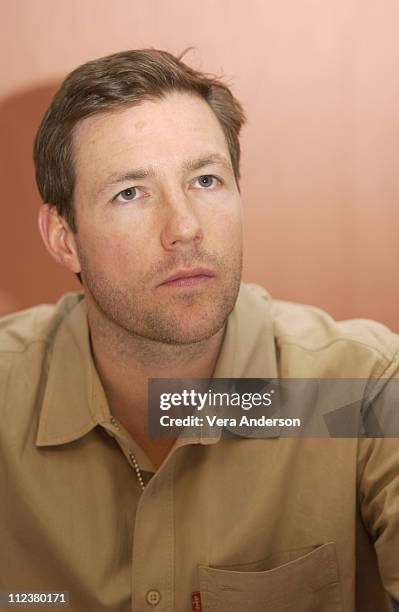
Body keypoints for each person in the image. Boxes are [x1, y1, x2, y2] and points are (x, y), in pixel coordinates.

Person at [0, 49, 398, 612]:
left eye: (206, 179)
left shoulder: (365, 390)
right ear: (63, 237)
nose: (185, 228)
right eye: (130, 193)